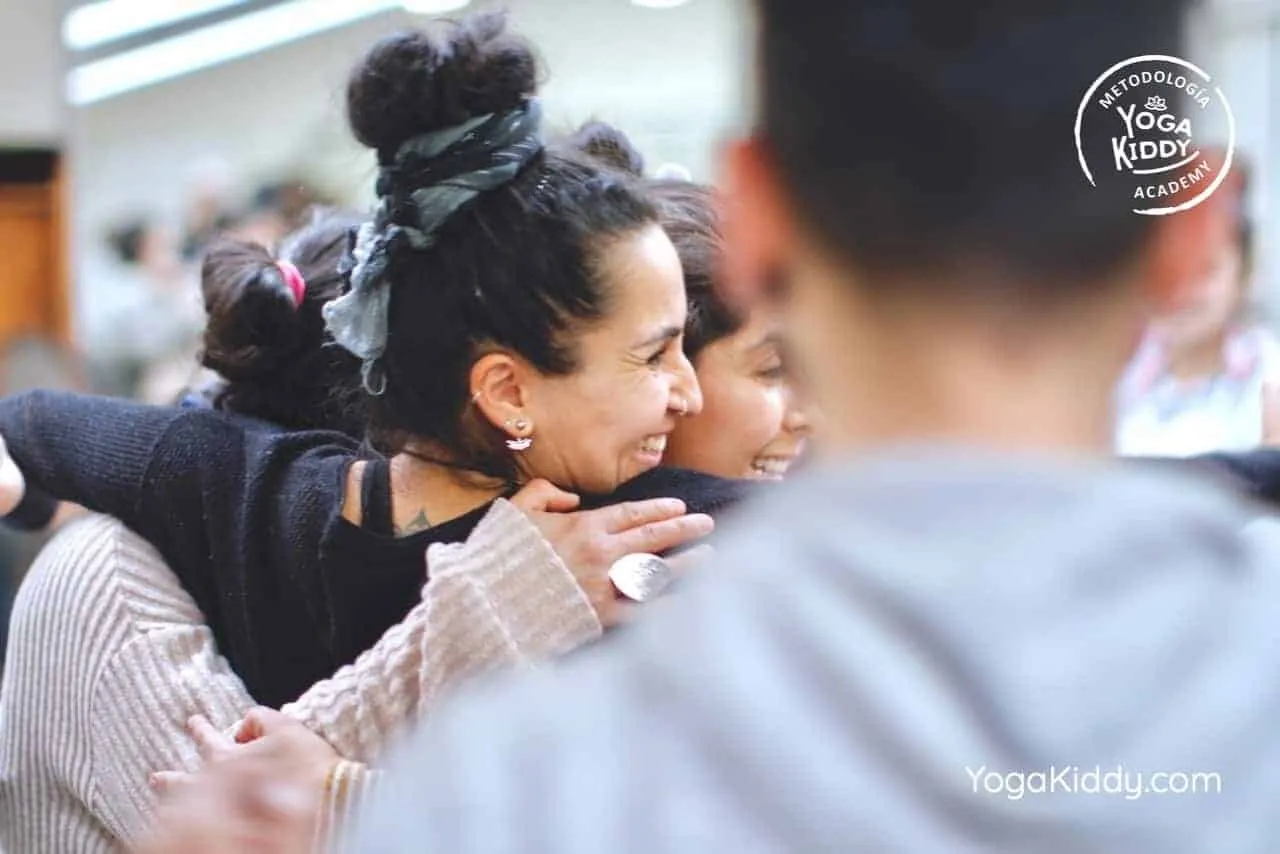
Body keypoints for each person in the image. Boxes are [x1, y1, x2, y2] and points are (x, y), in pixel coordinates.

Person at [135, 0, 1280, 851]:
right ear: (1190, 235)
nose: (680, 391)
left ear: (758, 222)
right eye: (656, 354)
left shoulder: (514, 791)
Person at [0, 213, 713, 852]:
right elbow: (251, 817)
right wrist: (497, 603)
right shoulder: (113, 578)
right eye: (653, 357)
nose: (686, 395)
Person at [1115, 160, 1277, 456]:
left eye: (1206, 269)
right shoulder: (1112, 375)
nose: (1181, 291)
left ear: (1244, 272)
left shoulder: (1271, 378)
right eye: (1165, 270)